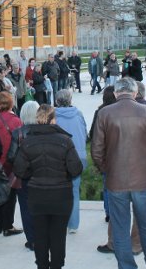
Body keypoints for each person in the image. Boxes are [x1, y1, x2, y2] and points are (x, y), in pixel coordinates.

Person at [91, 77, 146, 269]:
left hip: (116, 181)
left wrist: (106, 169)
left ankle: (126, 266)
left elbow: (96, 150)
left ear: (117, 93)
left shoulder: (104, 113)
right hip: (143, 180)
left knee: (120, 227)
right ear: (135, 93)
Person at [13, 104, 83, 269]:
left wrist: (33, 172)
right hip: (61, 196)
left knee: (40, 235)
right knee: (58, 236)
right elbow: (76, 169)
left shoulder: (28, 142)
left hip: (37, 196)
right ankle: (57, 265)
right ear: (53, 120)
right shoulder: (65, 141)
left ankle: (42, 266)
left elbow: (19, 170)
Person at [0, 91, 24, 237]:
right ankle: (7, 226)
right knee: (10, 196)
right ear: (11, 103)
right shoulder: (16, 121)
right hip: (10, 162)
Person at [7, 100, 40, 251]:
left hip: (24, 176)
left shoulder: (18, 132)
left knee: (26, 208)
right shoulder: (45, 131)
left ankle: (32, 240)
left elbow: (11, 156)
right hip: (42, 175)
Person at [53, 89, 87, 234]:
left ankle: (61, 222)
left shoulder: (53, 116)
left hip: (60, 159)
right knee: (74, 191)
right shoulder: (78, 114)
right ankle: (73, 225)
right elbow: (85, 134)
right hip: (78, 157)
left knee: (58, 191)